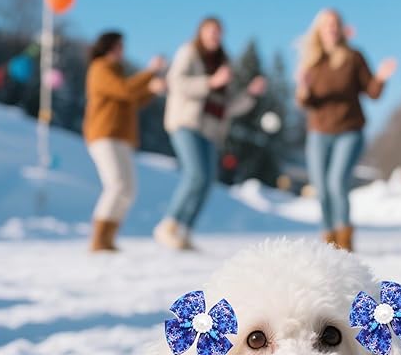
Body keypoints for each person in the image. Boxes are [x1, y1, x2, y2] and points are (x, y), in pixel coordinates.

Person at [154, 17, 266, 250]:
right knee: (195, 174)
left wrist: (251, 95)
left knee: (207, 181)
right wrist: (210, 81)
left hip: (212, 129)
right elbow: (176, 83)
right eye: (211, 31)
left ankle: (184, 231)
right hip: (186, 122)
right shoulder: (189, 53)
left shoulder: (224, 61)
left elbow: (229, 106)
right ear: (201, 32)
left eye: (219, 32)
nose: (215, 36)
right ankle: (169, 224)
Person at [296, 9, 396, 252]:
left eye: (335, 23)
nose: (331, 28)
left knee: (336, 181)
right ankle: (329, 237)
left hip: (349, 130)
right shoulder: (312, 62)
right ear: (319, 30)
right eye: (326, 24)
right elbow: (305, 103)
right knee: (321, 187)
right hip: (319, 132)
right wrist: (304, 89)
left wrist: (381, 77)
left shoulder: (353, 57)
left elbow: (372, 93)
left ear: (341, 28)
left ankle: (345, 238)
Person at [83, 31, 166, 251]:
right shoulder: (100, 68)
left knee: (128, 189)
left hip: (121, 137)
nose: (123, 50)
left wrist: (150, 91)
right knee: (117, 185)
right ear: (109, 46)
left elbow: (132, 100)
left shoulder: (116, 72)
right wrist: (150, 72)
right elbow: (125, 90)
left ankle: (108, 238)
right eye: (119, 45)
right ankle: (99, 239)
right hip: (104, 135)